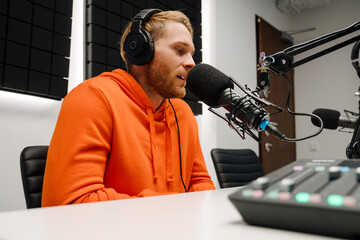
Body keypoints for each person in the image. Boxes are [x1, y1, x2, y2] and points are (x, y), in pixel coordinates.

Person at [42, 9, 215, 206]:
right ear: (141, 50)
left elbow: (200, 182)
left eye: (192, 54)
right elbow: (69, 202)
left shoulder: (182, 113)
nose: (191, 63)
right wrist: (170, 208)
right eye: (179, 50)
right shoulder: (93, 98)